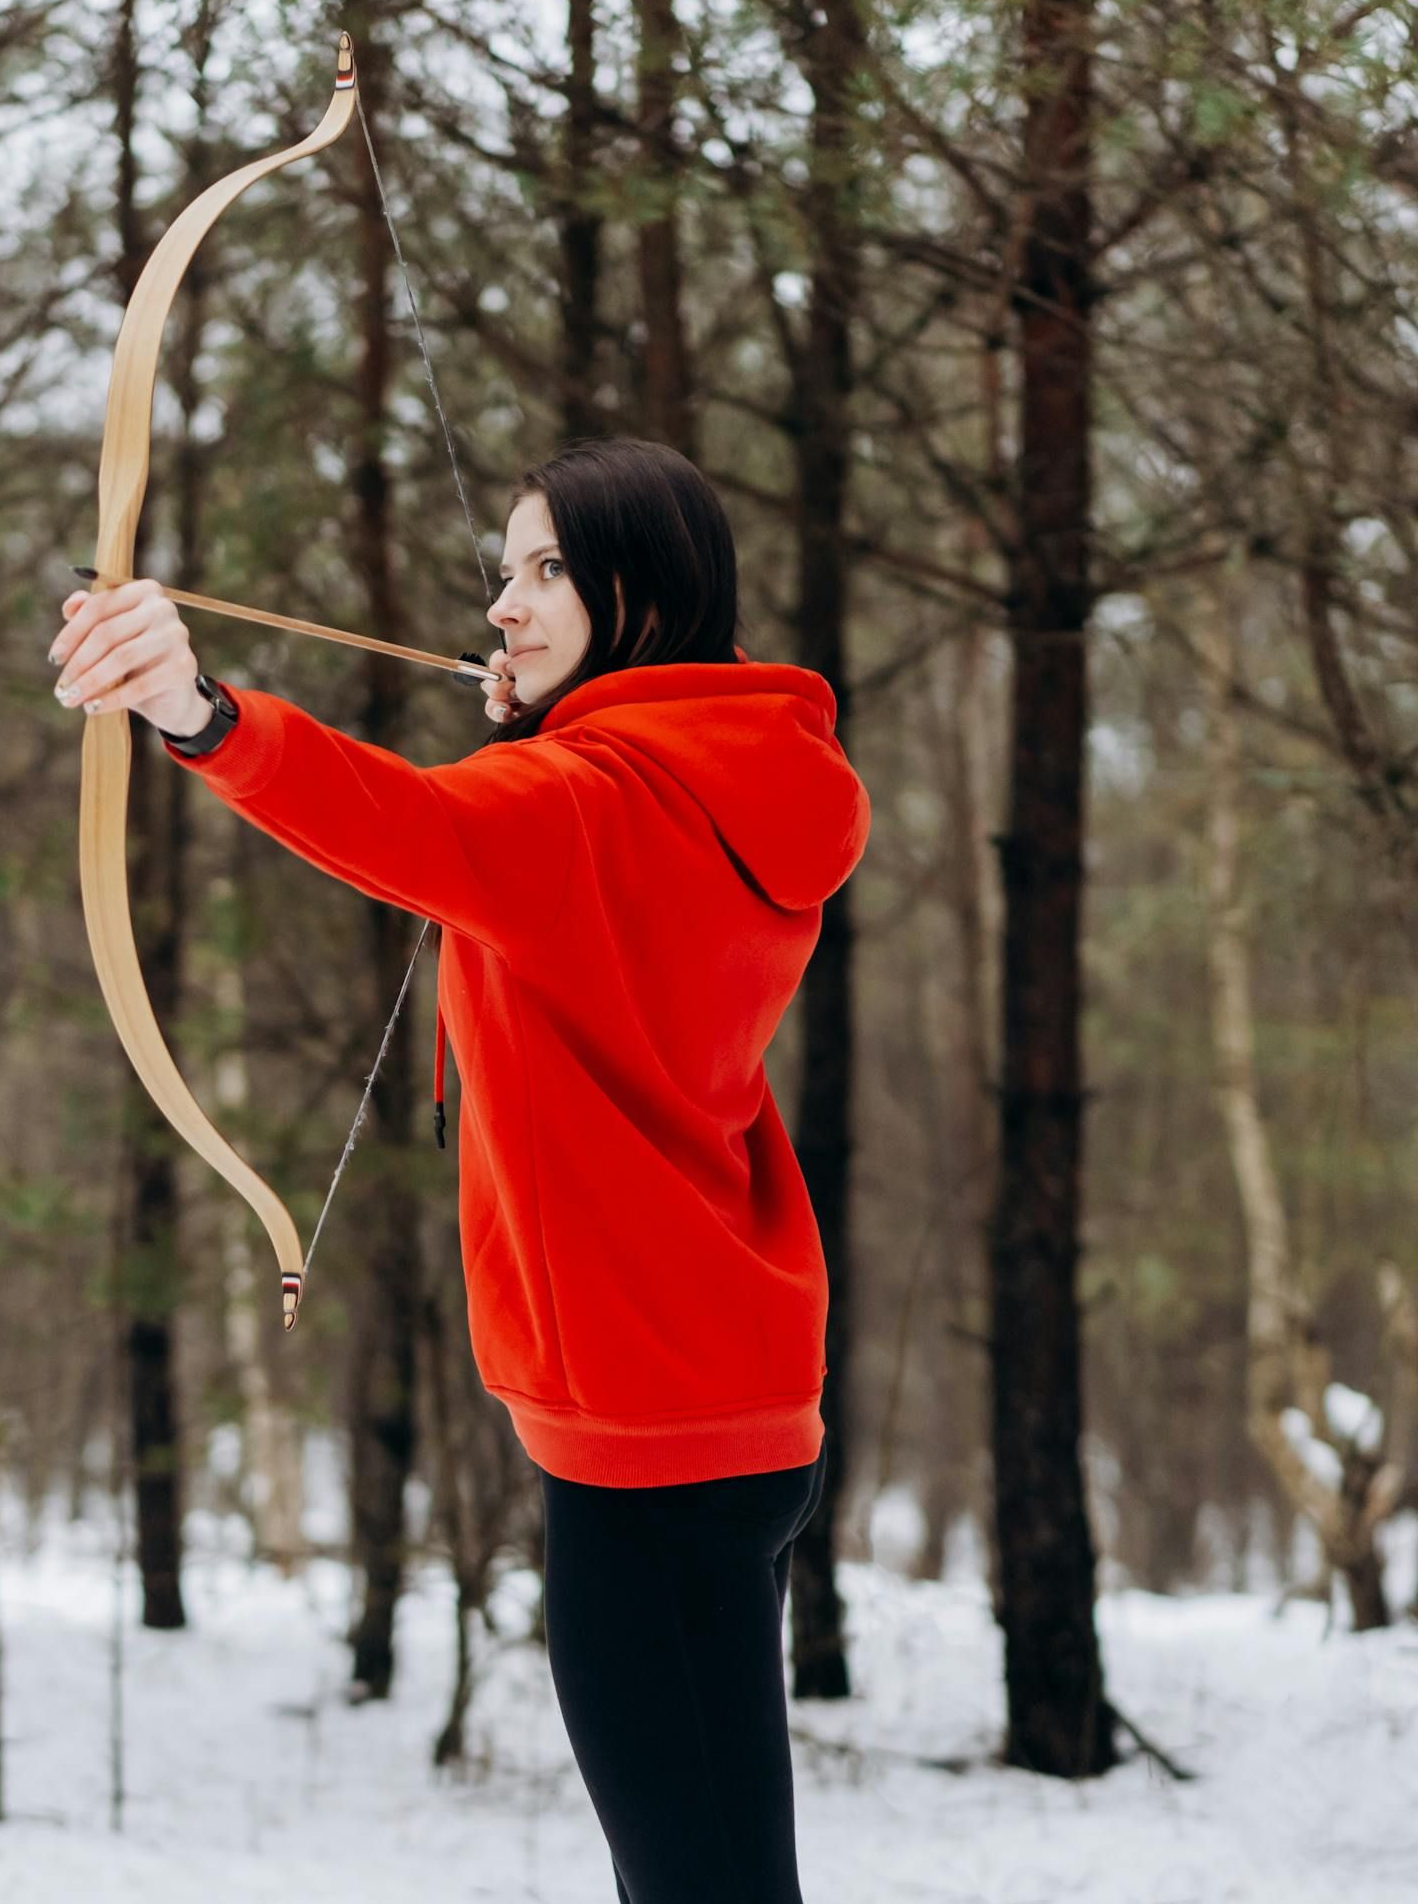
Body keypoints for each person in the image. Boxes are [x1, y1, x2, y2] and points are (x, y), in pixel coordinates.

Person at [48, 437, 869, 1903]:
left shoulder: (584, 805)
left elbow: (406, 823)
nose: (504, 602)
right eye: (507, 569)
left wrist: (194, 708)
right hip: (738, 1397)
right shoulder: (740, 776)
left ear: (647, 590)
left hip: (642, 1436)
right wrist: (561, 716)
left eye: (550, 569)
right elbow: (557, 842)